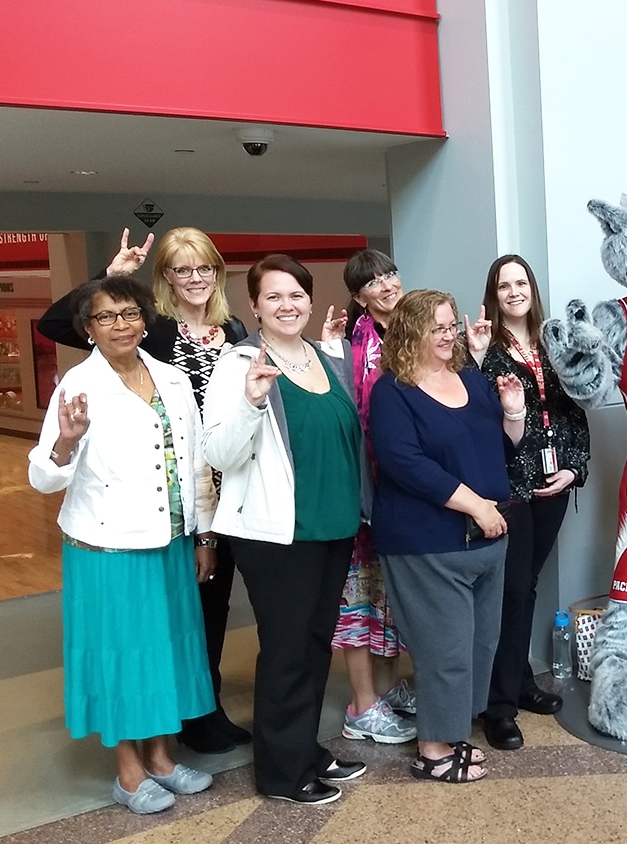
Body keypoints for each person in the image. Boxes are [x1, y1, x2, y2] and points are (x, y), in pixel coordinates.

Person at [37, 228, 252, 754]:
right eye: (181, 268)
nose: (195, 278)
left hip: (216, 489)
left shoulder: (234, 329)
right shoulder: (151, 330)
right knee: (161, 623)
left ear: (217, 272)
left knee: (204, 610)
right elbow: (64, 324)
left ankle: (201, 707)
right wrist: (113, 280)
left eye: (203, 267)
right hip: (143, 496)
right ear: (164, 279)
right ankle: (181, 724)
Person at [28, 276, 217, 814]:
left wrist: (204, 534)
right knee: (122, 656)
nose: (121, 325)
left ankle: (161, 757)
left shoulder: (172, 378)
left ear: (146, 318)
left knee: (164, 653)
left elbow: (196, 462)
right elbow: (43, 478)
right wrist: (65, 441)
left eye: (130, 313)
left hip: (170, 541)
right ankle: (129, 773)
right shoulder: (77, 387)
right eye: (106, 317)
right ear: (88, 328)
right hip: (108, 547)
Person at [202, 254, 367, 806]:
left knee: (316, 644)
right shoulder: (239, 363)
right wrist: (251, 401)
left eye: (295, 293)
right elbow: (219, 452)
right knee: (287, 649)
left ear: (310, 298)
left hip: (334, 525)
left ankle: (305, 750)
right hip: (278, 534)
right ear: (254, 306)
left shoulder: (325, 356)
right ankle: (281, 772)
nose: (286, 304)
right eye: (273, 296)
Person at [368, 289, 527, 784]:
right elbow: (404, 463)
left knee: (480, 646)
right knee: (445, 651)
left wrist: (514, 412)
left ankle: (453, 731)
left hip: (487, 538)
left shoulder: (474, 382)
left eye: (449, 326)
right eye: (435, 327)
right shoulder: (391, 391)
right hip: (428, 544)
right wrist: (476, 505)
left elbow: (501, 449)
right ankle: (432, 749)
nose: (446, 335)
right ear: (410, 331)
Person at [474, 255, 590, 750]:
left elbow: (576, 408)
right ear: (494, 294)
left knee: (528, 586)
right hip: (511, 487)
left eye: (521, 282)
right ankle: (499, 707)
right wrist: (478, 360)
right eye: (504, 285)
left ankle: (519, 683)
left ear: (532, 289)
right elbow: (475, 415)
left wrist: (574, 469)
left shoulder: (553, 341)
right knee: (512, 592)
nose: (514, 291)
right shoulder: (481, 346)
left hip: (555, 483)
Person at [325, 249, 417, 745]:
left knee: (393, 597)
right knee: (359, 598)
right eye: (373, 281)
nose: (386, 285)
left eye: (390, 274)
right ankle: (361, 706)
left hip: (407, 492)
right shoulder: (349, 346)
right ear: (359, 296)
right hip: (366, 491)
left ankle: (385, 691)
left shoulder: (412, 333)